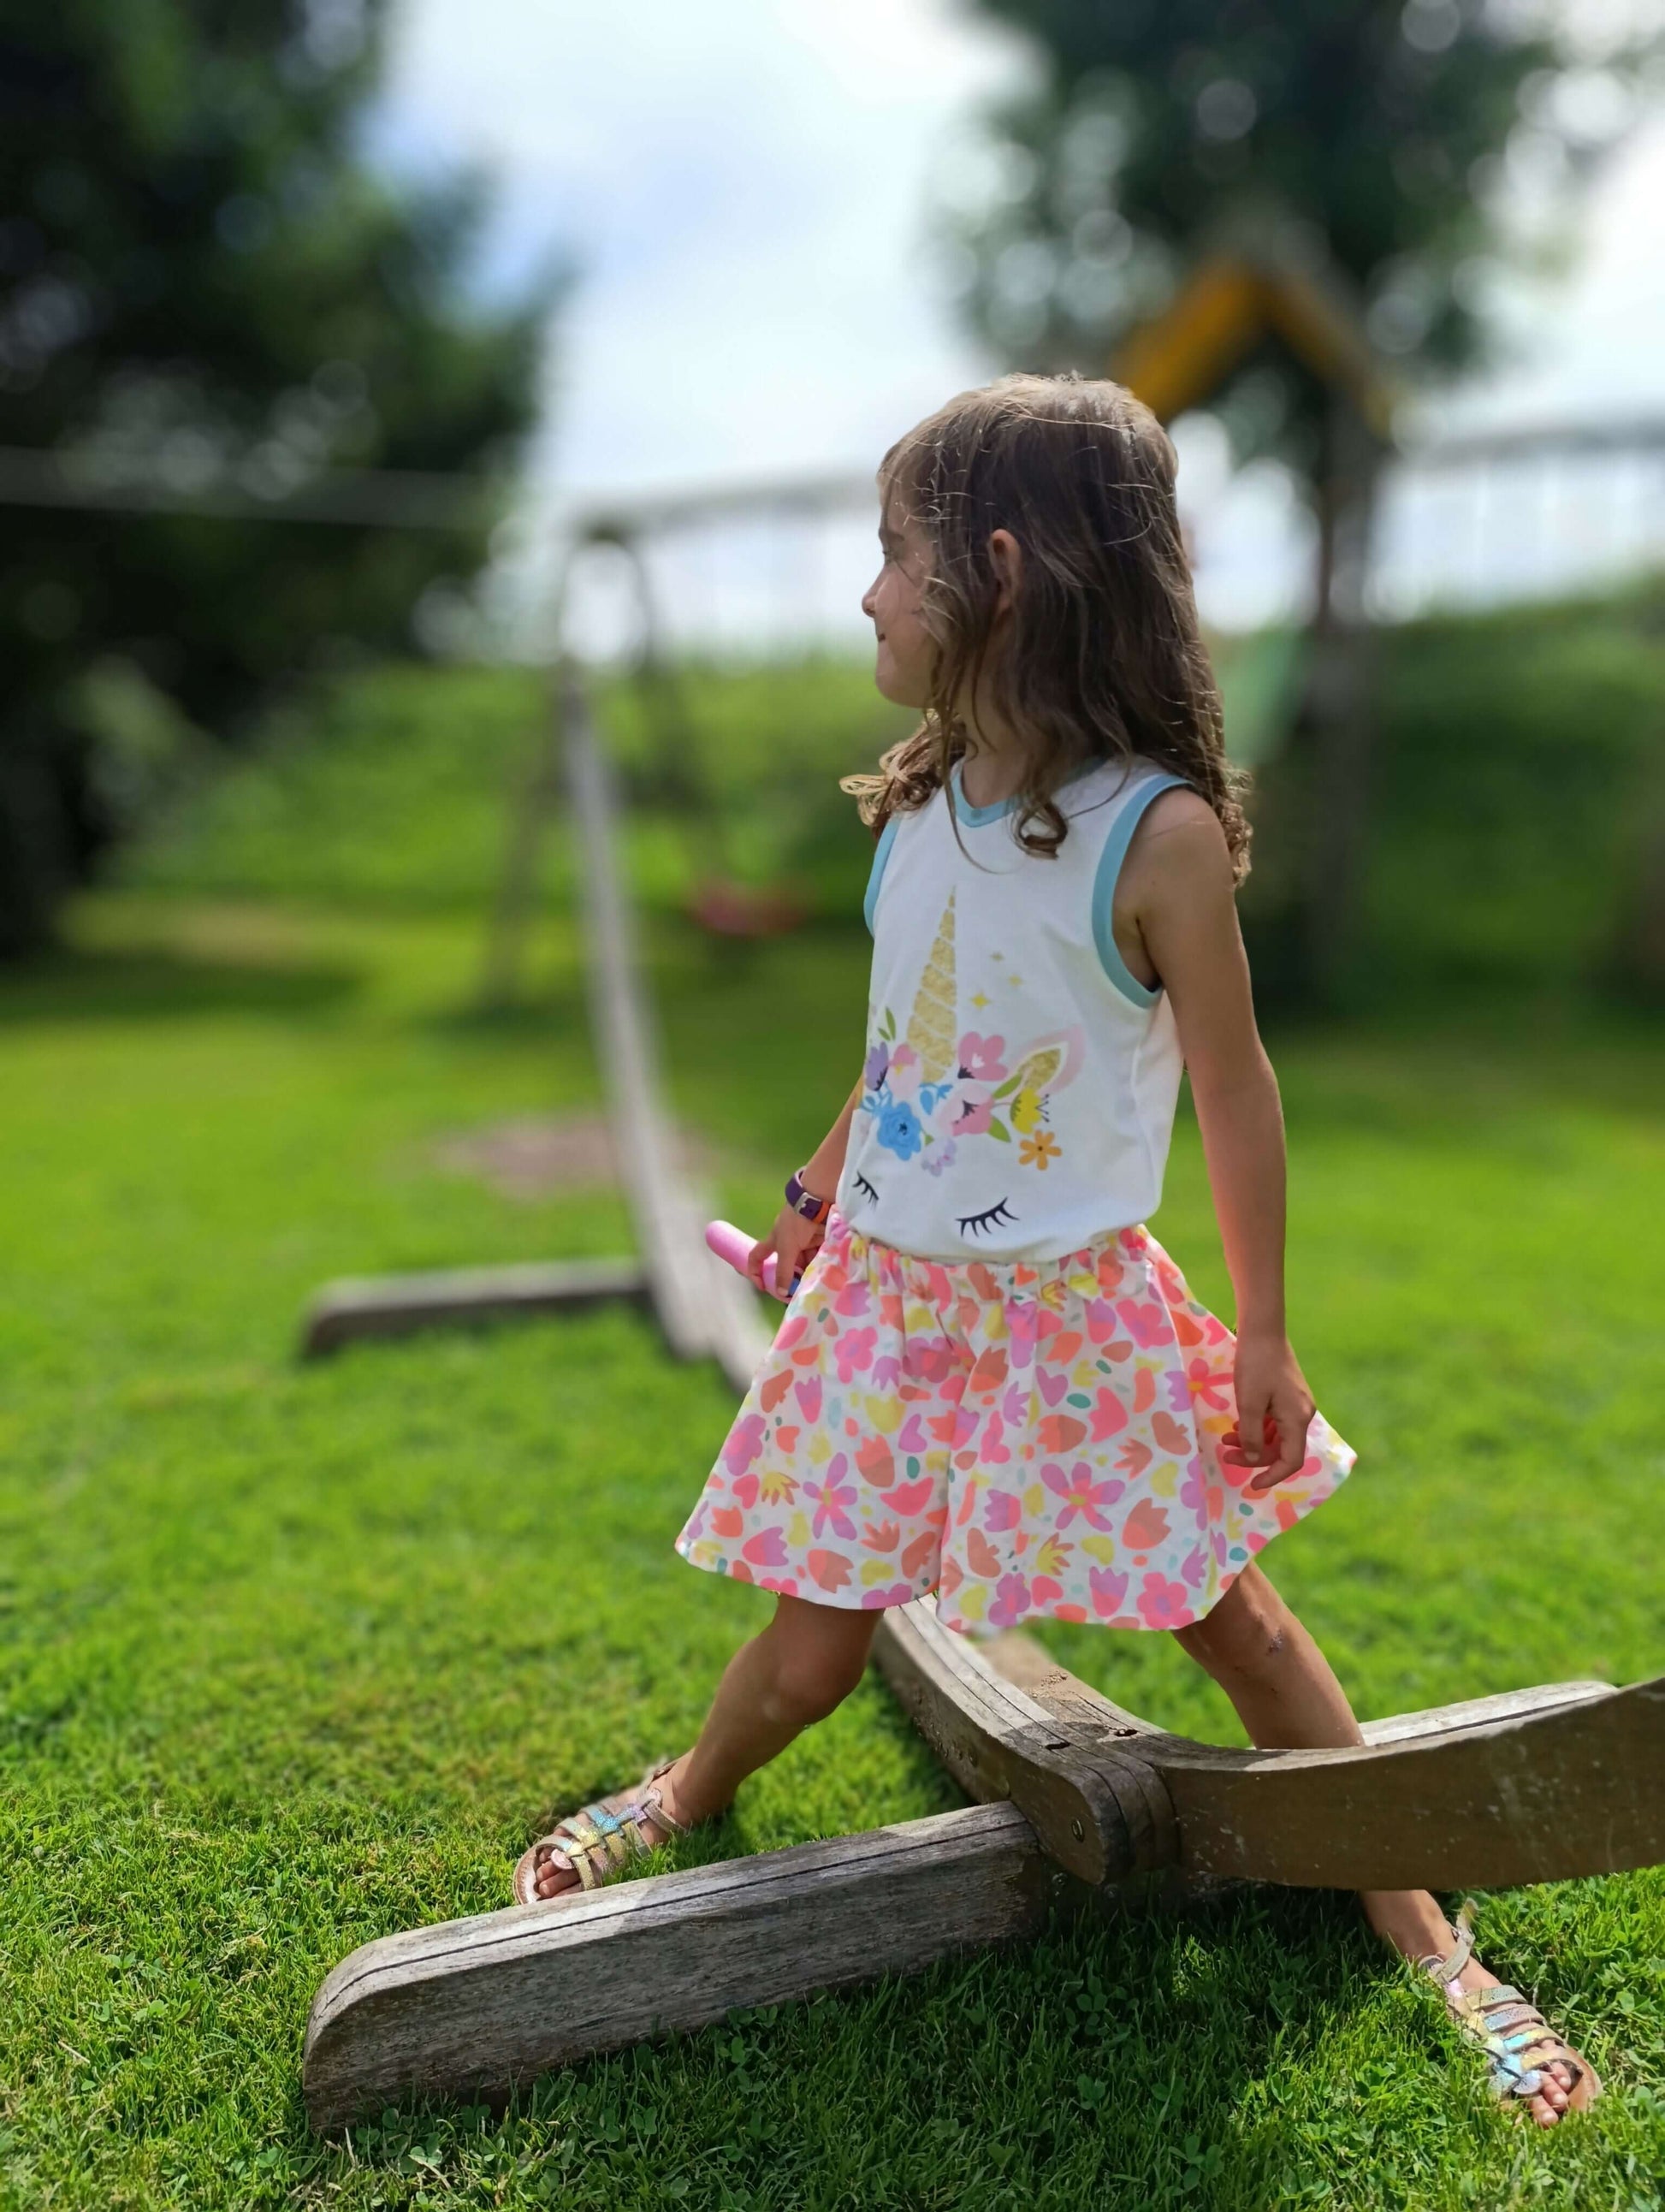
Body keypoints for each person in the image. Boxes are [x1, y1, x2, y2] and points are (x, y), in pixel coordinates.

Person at [515, 375, 1597, 2126]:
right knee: (809, 1652)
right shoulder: (913, 813)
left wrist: (1262, 1330)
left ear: (1001, 572)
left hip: (1071, 1325)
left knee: (1236, 1627)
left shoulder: (1156, 837)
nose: (868, 593)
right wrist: (812, 1195)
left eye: (895, 554)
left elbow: (1235, 1091)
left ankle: (1423, 1933)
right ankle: (689, 1786)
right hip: (887, 1313)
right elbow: (900, 1057)